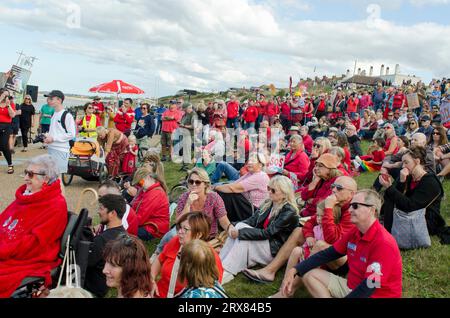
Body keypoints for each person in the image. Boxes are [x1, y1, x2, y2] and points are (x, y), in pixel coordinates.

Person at [285, 190, 402, 298]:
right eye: (350, 205)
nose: (350, 210)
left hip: (375, 295)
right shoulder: (355, 231)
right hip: (352, 287)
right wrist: (295, 269)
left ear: (372, 210)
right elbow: (328, 254)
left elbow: (370, 285)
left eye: (355, 206)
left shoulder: (384, 243)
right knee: (309, 274)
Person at [243, 176, 357, 286]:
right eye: (333, 186)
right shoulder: (335, 202)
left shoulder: (353, 211)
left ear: (351, 194)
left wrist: (328, 209)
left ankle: (291, 285)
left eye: (339, 188)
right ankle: (270, 271)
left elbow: (333, 240)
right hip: (326, 247)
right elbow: (309, 223)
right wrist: (309, 235)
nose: (333, 190)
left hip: (342, 259)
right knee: (298, 231)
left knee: (321, 245)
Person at [0, 154, 67, 297]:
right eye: (25, 173)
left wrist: (3, 249)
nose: (25, 178)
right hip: (10, 247)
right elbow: (4, 221)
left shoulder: (55, 205)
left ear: (46, 178)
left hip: (29, 257)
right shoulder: (27, 197)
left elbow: (34, 244)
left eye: (30, 174)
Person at [220, 176, 300, 284]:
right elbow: (251, 221)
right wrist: (232, 226)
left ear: (284, 194)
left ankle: (228, 270)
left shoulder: (289, 211)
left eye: (273, 190)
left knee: (242, 236)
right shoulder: (270, 203)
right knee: (239, 228)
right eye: (268, 188)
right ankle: (220, 264)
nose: (269, 192)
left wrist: (240, 233)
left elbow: (268, 233)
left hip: (273, 250)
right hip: (264, 243)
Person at [153, 168, 232, 257]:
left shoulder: (214, 198)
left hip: (207, 235)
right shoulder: (184, 197)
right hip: (187, 231)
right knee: (173, 234)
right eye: (191, 181)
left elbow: (224, 221)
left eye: (197, 182)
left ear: (205, 184)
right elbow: (178, 222)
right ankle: (158, 252)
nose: (194, 184)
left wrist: (231, 230)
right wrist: (188, 204)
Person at [150, 212, 223, 298]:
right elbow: (160, 259)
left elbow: (210, 289)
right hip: (158, 294)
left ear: (199, 234)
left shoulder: (209, 257)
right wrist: (151, 279)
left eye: (185, 229)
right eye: (180, 227)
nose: (180, 232)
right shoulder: (176, 241)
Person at [379, 147, 446, 236]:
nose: (403, 166)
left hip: (425, 220)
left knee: (392, 194)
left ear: (417, 161)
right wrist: (401, 182)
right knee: (391, 198)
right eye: (403, 163)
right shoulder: (409, 176)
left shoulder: (430, 182)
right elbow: (391, 197)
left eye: (406, 162)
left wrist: (389, 187)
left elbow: (410, 206)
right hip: (410, 213)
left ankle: (386, 232)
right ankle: (386, 228)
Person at [84, 194, 127, 298]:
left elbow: (86, 262)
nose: (99, 212)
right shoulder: (124, 235)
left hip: (90, 288)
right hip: (104, 285)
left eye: (101, 208)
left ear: (112, 213)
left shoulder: (102, 240)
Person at [214, 152, 270, 222]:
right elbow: (234, 183)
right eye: (249, 160)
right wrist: (219, 186)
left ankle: (224, 219)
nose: (249, 163)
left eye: (253, 161)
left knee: (228, 193)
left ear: (260, 165)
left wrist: (215, 187)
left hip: (253, 211)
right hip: (245, 204)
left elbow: (233, 188)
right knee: (225, 187)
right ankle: (220, 215)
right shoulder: (251, 173)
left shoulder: (260, 176)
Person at [43, 90, 76, 178]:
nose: (48, 100)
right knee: (51, 177)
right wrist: (47, 137)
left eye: (51, 98)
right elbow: (55, 131)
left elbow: (72, 134)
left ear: (59, 100)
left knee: (57, 179)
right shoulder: (54, 113)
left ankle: (60, 192)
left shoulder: (67, 115)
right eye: (48, 98)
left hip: (61, 150)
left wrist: (53, 138)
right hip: (52, 148)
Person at [131, 167, 169, 241]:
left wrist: (127, 223)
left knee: (125, 232)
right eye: (138, 184)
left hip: (154, 229)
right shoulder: (148, 190)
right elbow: (135, 206)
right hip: (149, 224)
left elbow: (140, 218)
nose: (139, 185)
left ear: (148, 177)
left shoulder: (154, 194)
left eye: (140, 182)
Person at [0, 89, 15, 174]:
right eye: (4, 95)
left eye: (7, 95)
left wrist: (8, 105)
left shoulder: (11, 104)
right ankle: (10, 164)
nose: (6, 96)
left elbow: (12, 115)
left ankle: (10, 164)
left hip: (6, 126)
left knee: (3, 146)